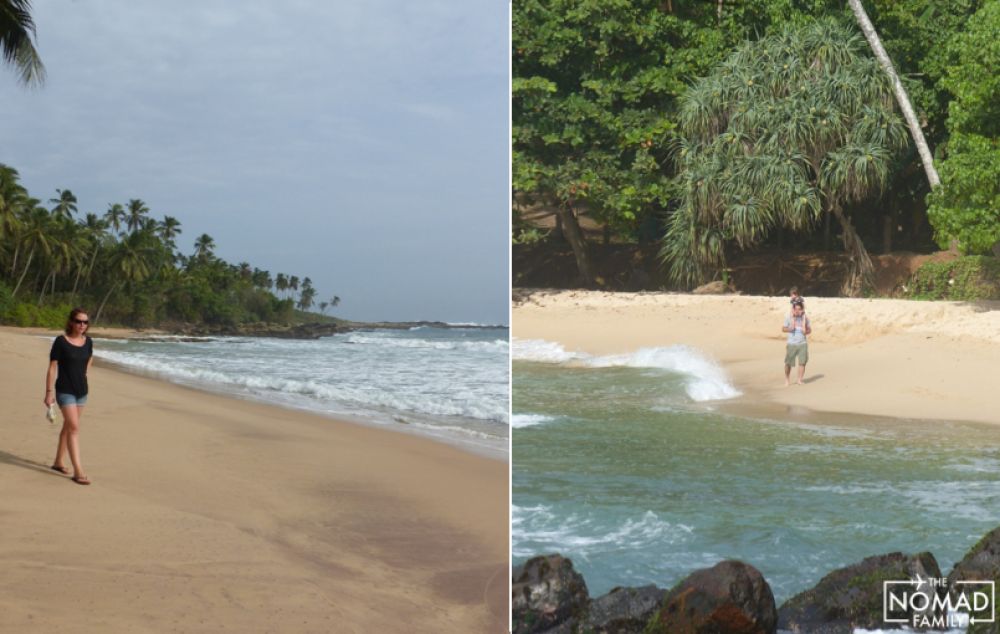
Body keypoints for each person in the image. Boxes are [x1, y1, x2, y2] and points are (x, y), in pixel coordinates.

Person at [44, 307, 93, 485]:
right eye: (79, 321)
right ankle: (78, 472)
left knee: (68, 426)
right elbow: (52, 368)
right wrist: (49, 393)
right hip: (65, 390)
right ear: (71, 322)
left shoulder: (88, 342)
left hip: (82, 392)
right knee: (74, 428)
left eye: (85, 322)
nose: (82, 325)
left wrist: (85, 373)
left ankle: (58, 462)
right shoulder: (61, 341)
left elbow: (89, 358)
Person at [782, 298, 811, 387]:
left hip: (802, 343)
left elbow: (809, 330)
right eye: (796, 309)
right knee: (788, 363)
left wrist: (805, 330)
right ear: (793, 309)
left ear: (802, 309)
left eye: (799, 309)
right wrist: (790, 328)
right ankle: (787, 379)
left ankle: (799, 380)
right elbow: (783, 329)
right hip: (792, 343)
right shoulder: (788, 317)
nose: (797, 311)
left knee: (802, 362)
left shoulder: (805, 318)